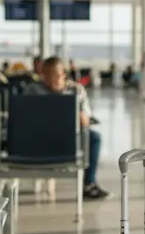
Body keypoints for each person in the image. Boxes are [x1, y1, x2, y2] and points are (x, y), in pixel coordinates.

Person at [24, 56, 106, 200]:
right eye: (45, 74)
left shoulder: (76, 90)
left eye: (53, 74)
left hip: (69, 137)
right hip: (40, 138)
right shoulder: (33, 90)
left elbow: (86, 119)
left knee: (94, 137)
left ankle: (89, 183)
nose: (49, 79)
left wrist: (81, 116)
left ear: (63, 74)